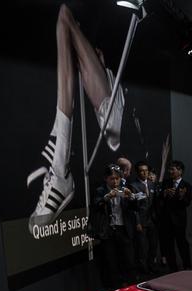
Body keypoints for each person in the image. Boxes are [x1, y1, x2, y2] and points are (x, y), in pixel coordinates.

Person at [27, 4, 129, 232]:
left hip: (113, 113)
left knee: (65, 17)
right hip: (112, 108)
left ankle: (60, 168)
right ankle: (59, 168)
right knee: (65, 18)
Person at [90, 164, 137, 288]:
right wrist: (107, 197)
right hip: (108, 231)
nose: (115, 181)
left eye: (117, 178)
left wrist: (131, 197)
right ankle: (114, 288)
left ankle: (131, 287)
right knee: (111, 263)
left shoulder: (125, 189)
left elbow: (135, 208)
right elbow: (96, 205)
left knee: (129, 261)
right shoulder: (100, 191)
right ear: (106, 178)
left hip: (124, 229)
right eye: (112, 178)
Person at [158, 160, 192, 272]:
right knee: (169, 245)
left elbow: (187, 202)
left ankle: (187, 266)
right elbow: (159, 199)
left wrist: (181, 196)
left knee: (182, 243)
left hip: (179, 220)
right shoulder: (166, 183)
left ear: (180, 171)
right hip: (166, 219)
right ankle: (173, 268)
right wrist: (165, 193)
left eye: (173, 169)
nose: (170, 171)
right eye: (170, 169)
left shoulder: (187, 185)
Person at [128, 160, 156, 275]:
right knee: (142, 247)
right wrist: (137, 222)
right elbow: (132, 207)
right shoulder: (133, 186)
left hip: (152, 220)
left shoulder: (151, 184)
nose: (144, 173)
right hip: (141, 221)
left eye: (146, 171)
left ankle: (151, 266)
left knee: (153, 245)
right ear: (137, 172)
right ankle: (143, 270)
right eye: (141, 171)